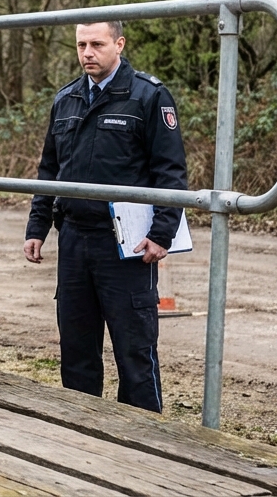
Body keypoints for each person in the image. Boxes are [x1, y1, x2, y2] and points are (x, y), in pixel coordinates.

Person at [22, 21, 187, 413]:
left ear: (119, 44)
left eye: (97, 44)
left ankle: (145, 441)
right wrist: (38, 226)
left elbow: (171, 172)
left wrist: (162, 233)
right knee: (76, 350)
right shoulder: (66, 100)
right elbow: (50, 171)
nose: (87, 53)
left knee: (135, 352)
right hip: (75, 241)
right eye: (81, 45)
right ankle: (83, 435)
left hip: (127, 245)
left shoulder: (149, 96)